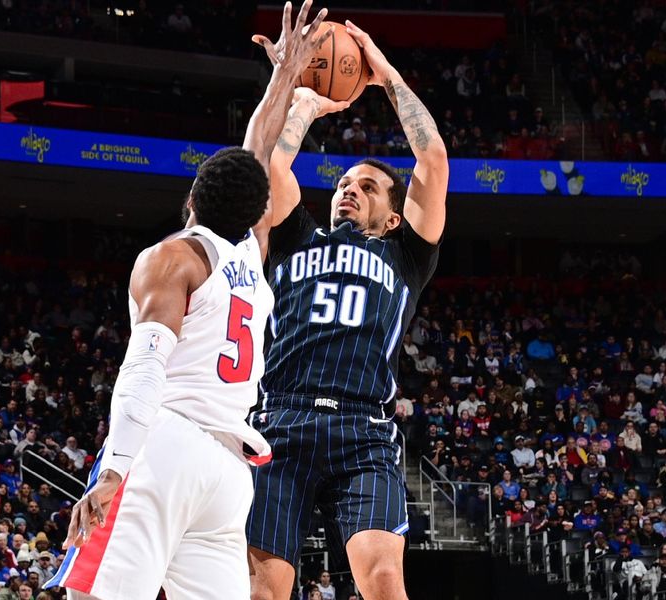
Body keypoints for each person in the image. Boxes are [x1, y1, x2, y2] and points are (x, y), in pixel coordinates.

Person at [44, 4, 334, 600]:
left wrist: (116, 468)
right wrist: (284, 78)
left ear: (193, 196)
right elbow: (256, 152)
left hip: (164, 449)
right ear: (259, 212)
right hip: (228, 473)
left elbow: (146, 367)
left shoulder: (175, 258)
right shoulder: (253, 258)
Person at [247, 18, 448, 600]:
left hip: (362, 429)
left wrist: (385, 78)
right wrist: (305, 105)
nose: (348, 189)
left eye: (366, 186)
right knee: (264, 587)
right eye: (342, 183)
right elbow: (265, 171)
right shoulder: (296, 236)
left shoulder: (406, 254)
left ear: (392, 215)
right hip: (281, 420)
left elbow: (432, 160)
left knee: (384, 579)